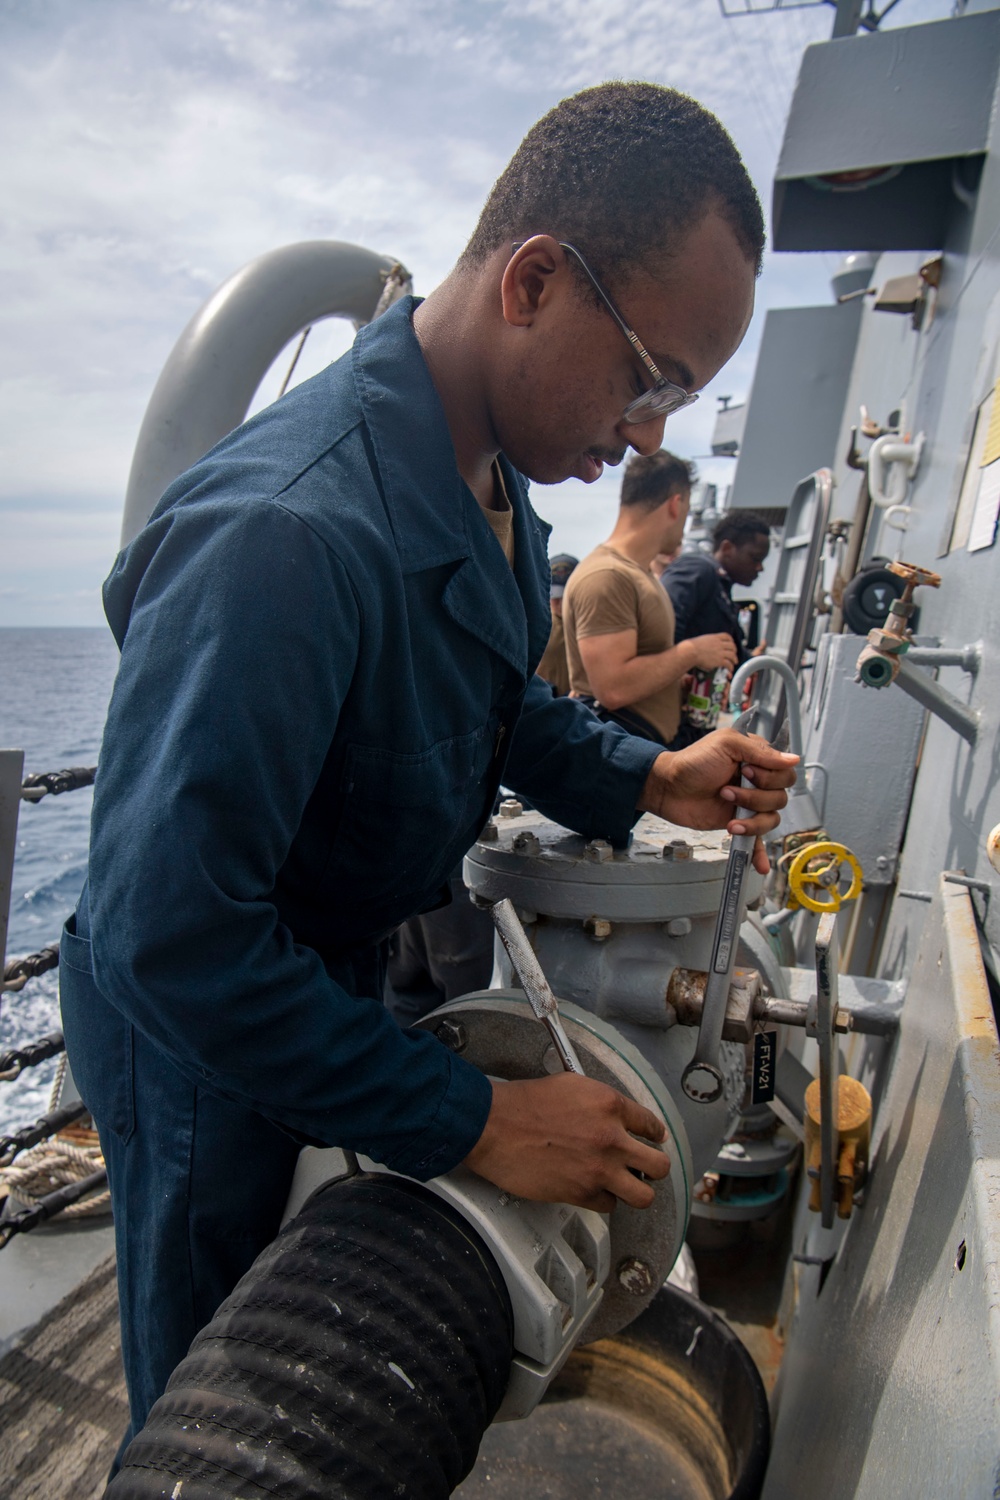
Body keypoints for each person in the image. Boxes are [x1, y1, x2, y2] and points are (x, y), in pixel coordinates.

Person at [58, 81, 796, 1453]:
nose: (645, 434)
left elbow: (494, 709)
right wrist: (472, 1119)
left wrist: (651, 778)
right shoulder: (284, 536)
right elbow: (173, 932)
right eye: (649, 377)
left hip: (326, 962)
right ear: (532, 282)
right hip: (203, 1027)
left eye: (677, 397)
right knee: (232, 1398)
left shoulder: (493, 483)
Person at [562, 451, 738, 747]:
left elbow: (635, 668)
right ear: (675, 504)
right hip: (618, 759)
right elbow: (613, 688)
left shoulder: (638, 575)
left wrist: (674, 680)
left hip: (642, 750)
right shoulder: (607, 575)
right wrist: (691, 653)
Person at [664, 510, 771, 665]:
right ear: (727, 548)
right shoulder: (698, 571)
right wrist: (686, 663)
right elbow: (664, 627)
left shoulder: (721, 587)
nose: (760, 567)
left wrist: (750, 661)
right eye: (755, 558)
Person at [537, 552, 578, 695]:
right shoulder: (536, 626)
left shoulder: (593, 625)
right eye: (556, 596)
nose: (560, 603)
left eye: (566, 595)